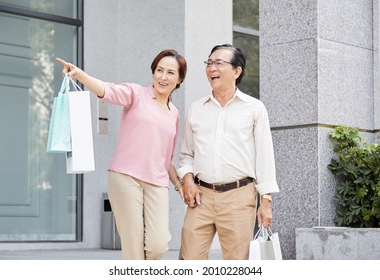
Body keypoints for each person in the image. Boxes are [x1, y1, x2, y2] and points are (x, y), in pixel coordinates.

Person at [56, 49, 186, 260]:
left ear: (179, 79)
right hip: (126, 177)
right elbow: (107, 90)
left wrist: (179, 185)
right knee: (133, 248)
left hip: (157, 183)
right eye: (159, 70)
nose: (163, 77)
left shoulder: (175, 113)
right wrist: (79, 74)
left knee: (158, 245)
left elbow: (167, 156)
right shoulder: (136, 93)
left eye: (170, 72)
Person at [177, 44, 279, 260]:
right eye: (209, 63)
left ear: (236, 71)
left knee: (237, 264)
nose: (212, 68)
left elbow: (264, 157)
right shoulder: (196, 108)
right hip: (201, 196)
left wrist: (266, 201)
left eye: (219, 63)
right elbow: (186, 154)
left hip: (239, 196)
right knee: (189, 259)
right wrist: (187, 179)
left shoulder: (254, 108)